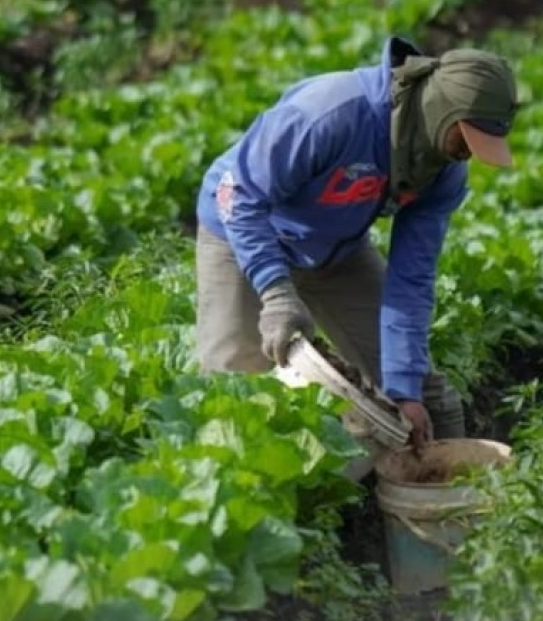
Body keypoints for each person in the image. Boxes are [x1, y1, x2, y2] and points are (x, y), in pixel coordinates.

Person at [193, 36, 518, 450]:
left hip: (335, 250)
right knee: (233, 396)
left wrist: (403, 388)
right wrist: (275, 293)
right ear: (441, 111)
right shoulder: (332, 113)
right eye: (465, 140)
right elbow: (238, 195)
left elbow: (412, 277)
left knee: (422, 400)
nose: (467, 156)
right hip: (243, 232)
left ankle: (439, 502)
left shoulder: (442, 170)